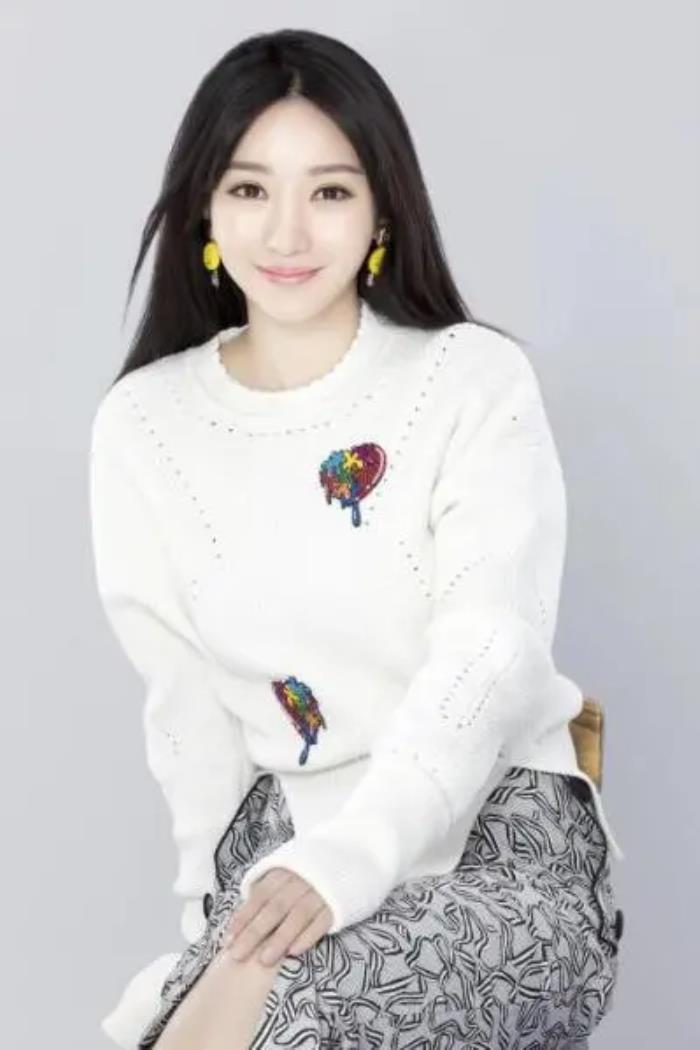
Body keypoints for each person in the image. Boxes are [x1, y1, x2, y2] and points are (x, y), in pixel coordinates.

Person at [89, 27, 624, 1050]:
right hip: (280, 842)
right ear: (205, 209)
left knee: (298, 1014)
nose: (287, 231)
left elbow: (490, 652)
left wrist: (350, 861)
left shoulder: (468, 380)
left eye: (329, 191)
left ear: (382, 211)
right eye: (250, 189)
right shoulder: (145, 426)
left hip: (503, 848)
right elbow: (188, 714)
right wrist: (211, 930)